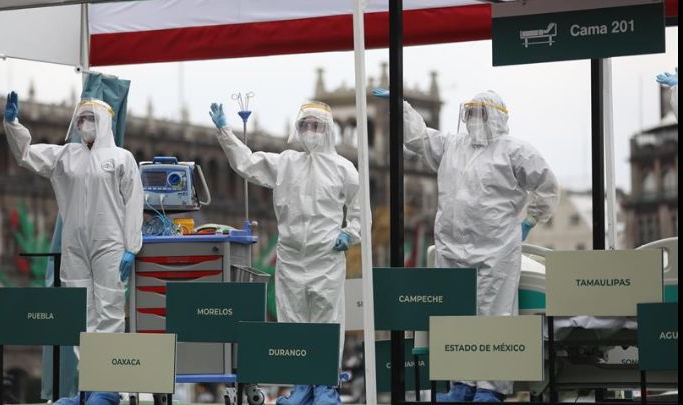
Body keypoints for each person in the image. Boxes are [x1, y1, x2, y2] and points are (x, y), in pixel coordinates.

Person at [373, 88, 559, 402]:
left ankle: (490, 387)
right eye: (471, 112)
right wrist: (400, 106)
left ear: (499, 116)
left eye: (482, 113)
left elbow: (546, 183)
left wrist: (530, 220)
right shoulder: (451, 146)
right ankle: (461, 384)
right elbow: (418, 137)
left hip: (496, 249)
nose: (475, 119)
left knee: (492, 317)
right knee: (456, 318)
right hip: (451, 247)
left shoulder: (514, 151)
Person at [210, 101, 362, 405]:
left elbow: (360, 209)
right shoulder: (286, 162)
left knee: (326, 323)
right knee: (293, 323)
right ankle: (302, 384)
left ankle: (326, 386)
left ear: (328, 130)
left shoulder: (344, 168)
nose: (309, 131)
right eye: (304, 125)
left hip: (325, 257)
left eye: (316, 126)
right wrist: (224, 131)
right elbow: (248, 163)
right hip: (291, 257)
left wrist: (351, 233)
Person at [4, 92, 143, 405]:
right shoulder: (66, 156)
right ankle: (88, 387)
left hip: (110, 243)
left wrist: (131, 246)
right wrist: (12, 123)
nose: (83, 124)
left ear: (105, 122)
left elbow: (135, 201)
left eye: (90, 118)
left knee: (109, 310)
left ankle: (108, 388)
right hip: (75, 245)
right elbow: (25, 154)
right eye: (80, 118)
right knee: (82, 315)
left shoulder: (121, 158)